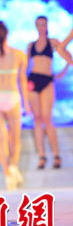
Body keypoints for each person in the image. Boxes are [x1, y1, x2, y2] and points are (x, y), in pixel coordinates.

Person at [0, 21, 30, 190]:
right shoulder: (19, 55)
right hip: (11, 95)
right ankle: (12, 168)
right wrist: (27, 104)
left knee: (1, 138)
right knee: (14, 137)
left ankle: (8, 174)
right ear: (7, 33)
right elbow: (22, 81)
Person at [27, 16, 72, 169]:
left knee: (47, 118)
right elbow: (25, 65)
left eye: (43, 24)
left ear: (47, 26)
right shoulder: (31, 45)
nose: (41, 27)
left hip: (47, 80)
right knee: (37, 118)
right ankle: (42, 156)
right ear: (35, 26)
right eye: (38, 24)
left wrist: (62, 72)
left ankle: (56, 155)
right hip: (33, 80)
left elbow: (67, 55)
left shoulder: (52, 42)